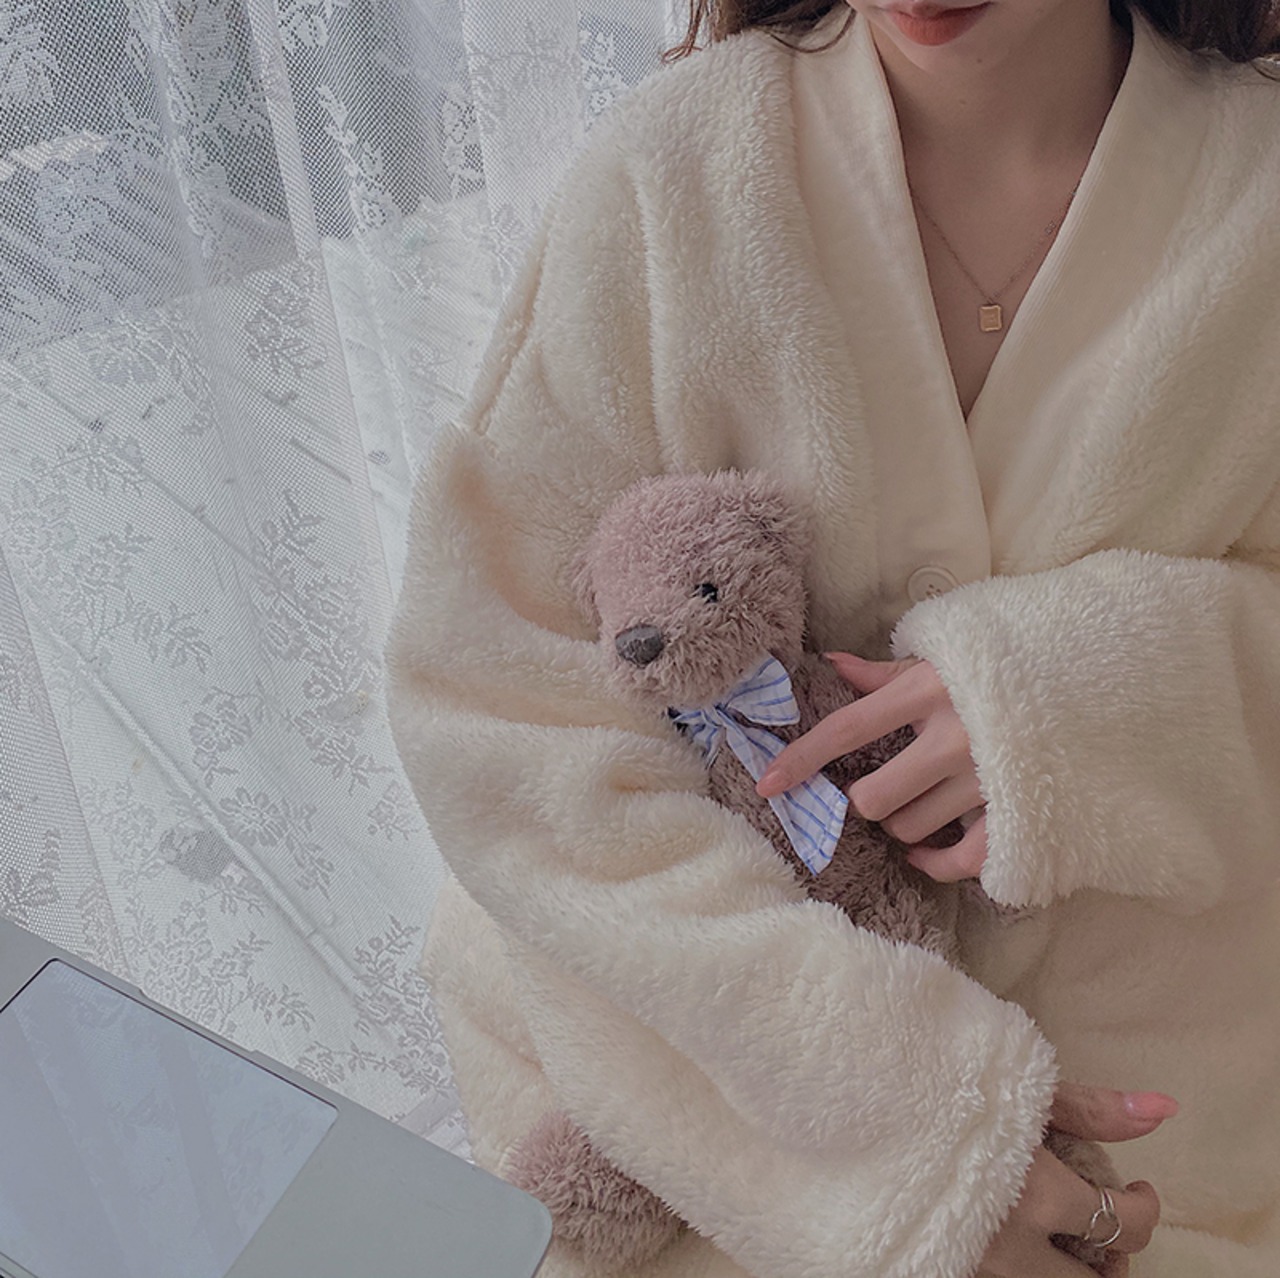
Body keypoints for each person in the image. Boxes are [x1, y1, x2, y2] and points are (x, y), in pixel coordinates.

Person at [385, 0, 1280, 1274]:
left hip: (1179, 1152)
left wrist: (1078, 700)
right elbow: (502, 701)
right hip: (708, 1139)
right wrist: (903, 1145)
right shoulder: (675, 176)